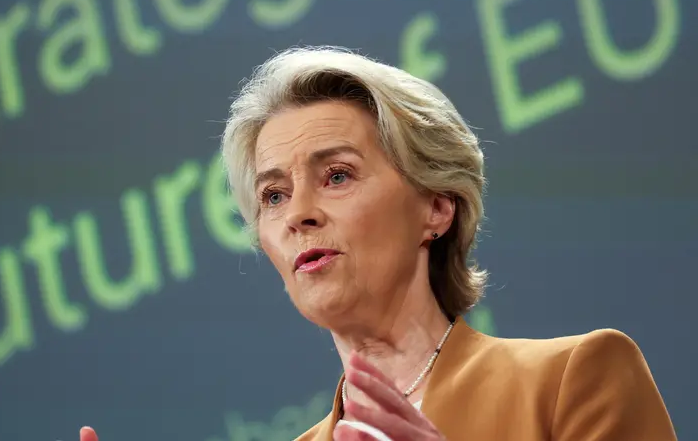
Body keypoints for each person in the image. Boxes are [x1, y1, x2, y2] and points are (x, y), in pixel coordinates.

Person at [78, 47, 677, 441]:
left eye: (336, 176)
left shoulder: (572, 381)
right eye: (274, 196)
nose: (299, 216)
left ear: (436, 206)